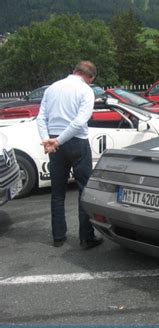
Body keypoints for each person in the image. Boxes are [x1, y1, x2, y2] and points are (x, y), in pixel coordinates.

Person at [36, 60, 103, 249]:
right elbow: (80, 121)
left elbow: (41, 117)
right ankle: (86, 238)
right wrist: (58, 141)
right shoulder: (85, 90)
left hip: (54, 143)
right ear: (90, 77)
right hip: (75, 142)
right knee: (84, 189)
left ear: (74, 71)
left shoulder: (52, 88)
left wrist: (48, 140)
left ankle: (58, 236)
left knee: (57, 192)